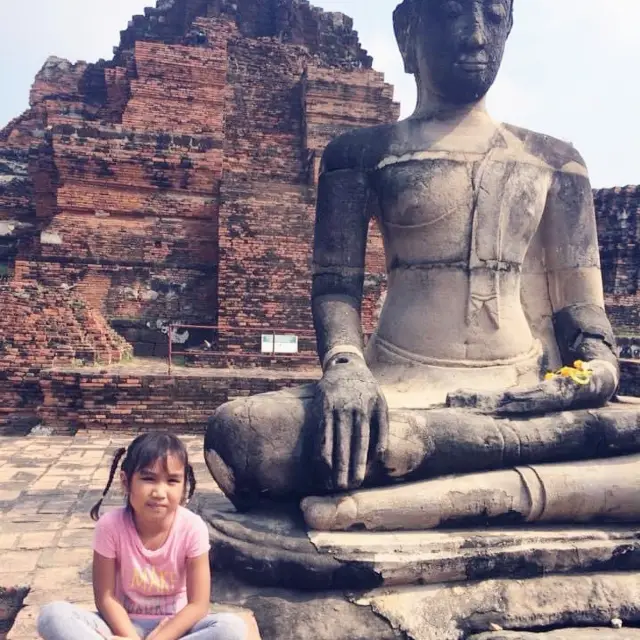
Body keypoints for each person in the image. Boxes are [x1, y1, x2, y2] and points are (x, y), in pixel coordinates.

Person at [204, 0, 640, 532]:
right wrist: (345, 369)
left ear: (509, 27)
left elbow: (582, 310)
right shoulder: (359, 153)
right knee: (246, 435)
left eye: (493, 16)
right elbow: (336, 289)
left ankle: (397, 493)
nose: (476, 36)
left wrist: (595, 370)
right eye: (453, 13)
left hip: (528, 391)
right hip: (397, 388)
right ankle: (514, 481)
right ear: (407, 31)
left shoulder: (555, 161)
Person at [37, 433, 247, 640]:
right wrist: (129, 636)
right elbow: (105, 597)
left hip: (175, 629)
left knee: (232, 629)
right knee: (53, 615)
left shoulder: (193, 528)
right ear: (126, 482)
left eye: (172, 481)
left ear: (184, 486)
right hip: (124, 626)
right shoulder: (109, 527)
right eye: (148, 479)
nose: (159, 492)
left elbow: (198, 605)